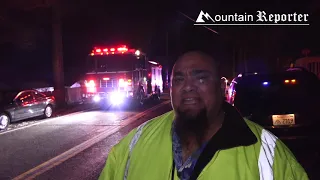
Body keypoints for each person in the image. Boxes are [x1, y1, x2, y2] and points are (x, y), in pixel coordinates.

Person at [99, 51, 308, 180]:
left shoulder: (269, 154)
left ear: (221, 86)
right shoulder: (133, 146)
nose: (188, 86)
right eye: (179, 79)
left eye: (200, 79)